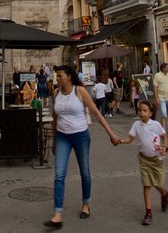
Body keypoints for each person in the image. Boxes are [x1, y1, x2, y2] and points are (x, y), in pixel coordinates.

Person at [44, 65, 120, 228]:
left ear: (69, 76)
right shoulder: (56, 93)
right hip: (63, 137)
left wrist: (111, 135)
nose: (58, 78)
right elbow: (55, 117)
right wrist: (55, 141)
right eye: (57, 76)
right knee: (59, 174)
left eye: (60, 75)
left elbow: (97, 114)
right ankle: (57, 214)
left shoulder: (80, 91)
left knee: (84, 172)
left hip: (80, 136)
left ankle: (86, 203)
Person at [116, 100, 168, 225]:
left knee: (158, 184)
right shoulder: (136, 125)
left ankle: (164, 194)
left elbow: (164, 137)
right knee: (147, 185)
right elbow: (130, 138)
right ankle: (148, 212)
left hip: (157, 160)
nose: (141, 113)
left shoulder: (155, 124)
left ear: (150, 113)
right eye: (140, 110)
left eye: (144, 110)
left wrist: (165, 147)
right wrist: (121, 141)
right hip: (144, 159)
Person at [153, 63, 168, 134]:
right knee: (163, 113)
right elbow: (155, 87)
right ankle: (163, 129)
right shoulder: (157, 76)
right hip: (161, 98)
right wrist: (156, 98)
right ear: (163, 69)